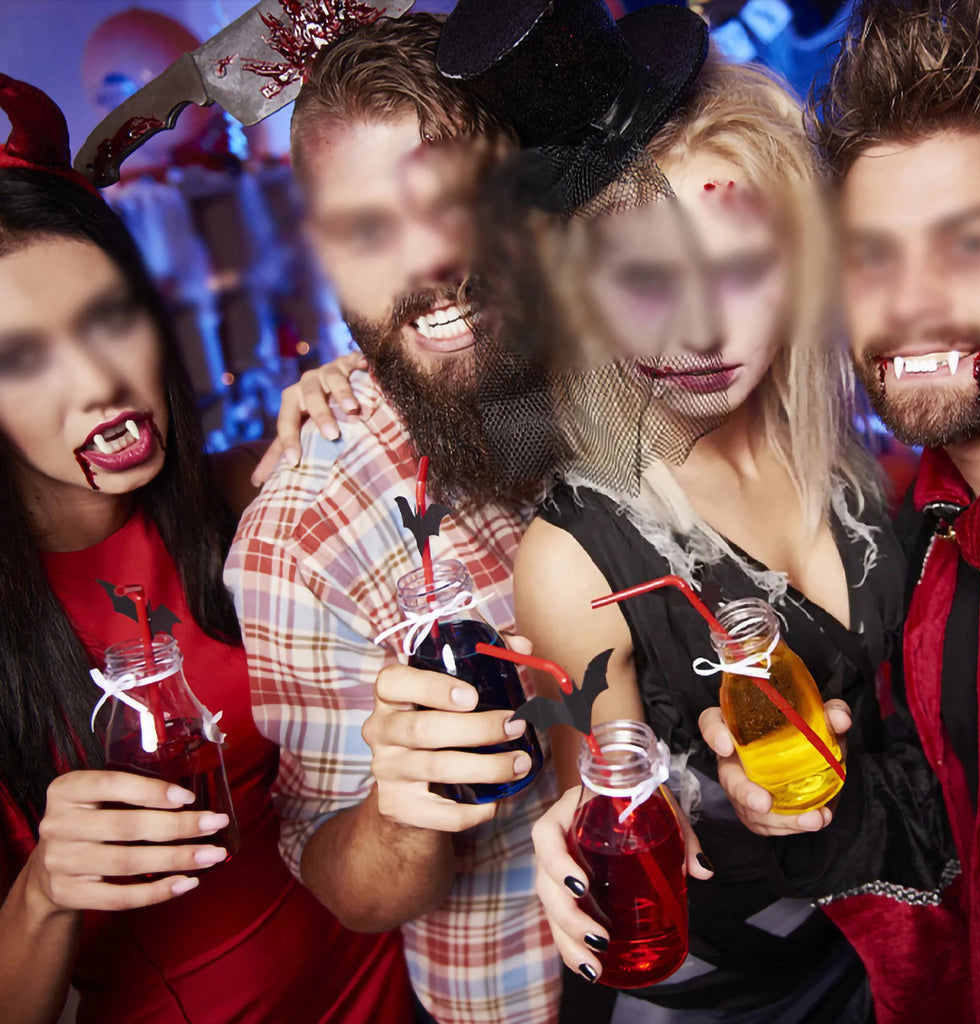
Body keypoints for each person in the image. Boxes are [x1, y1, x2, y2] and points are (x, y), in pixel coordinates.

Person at [224, 7, 713, 1022]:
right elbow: (346, 886)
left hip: (754, 950)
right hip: (527, 995)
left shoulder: (635, 365)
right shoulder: (305, 526)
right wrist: (401, 813)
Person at [514, 54, 935, 1022]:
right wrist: (656, 811)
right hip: (708, 995)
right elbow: (611, 810)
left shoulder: (857, 459)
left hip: (887, 957)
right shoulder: (575, 554)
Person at [0, 76, 413, 1023]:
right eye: (22, 358)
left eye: (110, 318)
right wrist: (41, 894)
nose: (101, 381)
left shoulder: (240, 490)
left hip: (385, 981)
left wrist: (347, 399)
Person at [703, 1, 980, 1021]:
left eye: (969, 244)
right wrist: (814, 808)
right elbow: (960, 846)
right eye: (872, 255)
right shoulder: (924, 521)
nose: (910, 299)